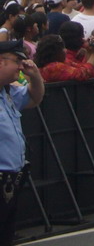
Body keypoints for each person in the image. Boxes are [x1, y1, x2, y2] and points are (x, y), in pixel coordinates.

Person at [0, 40, 44, 246]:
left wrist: (34, 76)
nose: (20, 66)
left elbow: (35, 98)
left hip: (12, 178)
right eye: (16, 61)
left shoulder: (7, 91)